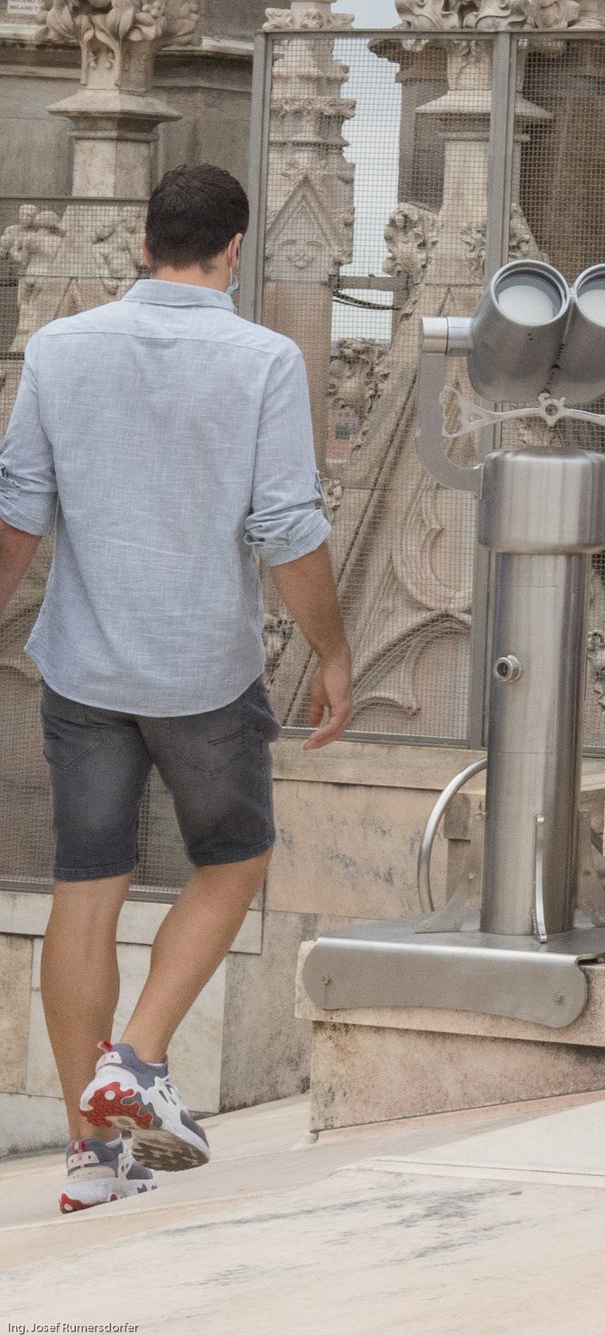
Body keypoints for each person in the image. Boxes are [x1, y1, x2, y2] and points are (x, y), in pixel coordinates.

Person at [0, 164, 352, 1212]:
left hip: (85, 667)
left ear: (145, 244)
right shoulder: (264, 358)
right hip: (203, 671)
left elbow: (17, 512)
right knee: (233, 861)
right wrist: (333, 652)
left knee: (86, 886)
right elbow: (286, 528)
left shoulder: (59, 347)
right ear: (234, 249)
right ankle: (138, 1059)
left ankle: (91, 1156)